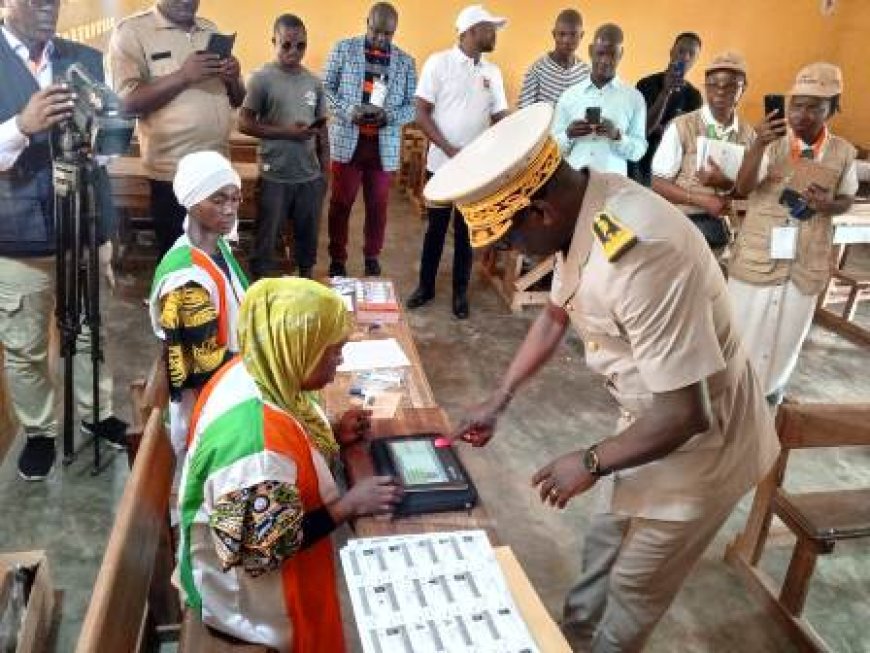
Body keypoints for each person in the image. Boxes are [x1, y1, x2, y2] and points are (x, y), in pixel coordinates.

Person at [426, 104, 779, 651]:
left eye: (507, 241)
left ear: (540, 211)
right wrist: (499, 399)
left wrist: (590, 460)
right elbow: (556, 312)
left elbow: (688, 412)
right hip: (644, 417)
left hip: (703, 444)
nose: (506, 253)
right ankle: (572, 637)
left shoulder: (644, 254)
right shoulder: (586, 208)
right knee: (602, 542)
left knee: (638, 584)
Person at [176, 278, 402, 651]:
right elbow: (260, 551)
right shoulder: (254, 445)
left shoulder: (254, 367)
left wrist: (329, 433)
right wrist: (348, 506)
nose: (341, 360)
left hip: (248, 552)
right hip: (250, 605)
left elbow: (288, 434)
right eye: (333, 351)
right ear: (298, 348)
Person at [0, 0, 127, 481]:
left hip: (83, 225)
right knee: (25, 342)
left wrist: (102, 142)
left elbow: (110, 142)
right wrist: (20, 127)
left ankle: (95, 412)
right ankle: (38, 432)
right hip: (15, 235)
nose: (48, 7)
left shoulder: (84, 59)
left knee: (91, 329)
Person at [729, 63, 857, 405]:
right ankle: (730, 396)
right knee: (742, 330)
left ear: (833, 108)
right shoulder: (770, 143)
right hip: (758, 256)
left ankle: (768, 398)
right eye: (796, 105)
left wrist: (829, 204)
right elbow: (742, 188)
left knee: (786, 336)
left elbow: (846, 200)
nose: (802, 114)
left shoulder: (843, 153)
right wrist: (758, 145)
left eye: (814, 107)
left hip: (805, 261)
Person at [108, 0, 246, 257]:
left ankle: (214, 296)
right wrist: (183, 76)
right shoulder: (132, 32)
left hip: (218, 169)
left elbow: (237, 98)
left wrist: (232, 77)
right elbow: (126, 103)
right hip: (173, 176)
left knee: (216, 255)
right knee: (180, 262)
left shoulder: (210, 30)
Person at [406, 4, 509, 319]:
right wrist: (449, 148)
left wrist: (512, 139)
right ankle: (425, 288)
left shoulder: (492, 73)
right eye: (489, 28)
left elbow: (501, 117)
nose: (495, 35)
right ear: (470, 31)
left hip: (475, 172)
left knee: (467, 234)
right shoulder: (439, 64)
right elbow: (420, 112)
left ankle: (460, 294)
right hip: (441, 165)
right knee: (435, 230)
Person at [149, 151, 249, 457]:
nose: (230, 209)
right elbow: (200, 370)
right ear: (191, 202)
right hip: (211, 413)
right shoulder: (185, 283)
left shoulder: (217, 247)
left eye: (235, 198)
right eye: (218, 200)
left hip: (232, 385)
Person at [322, 2, 417, 278]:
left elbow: (413, 105)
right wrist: (346, 110)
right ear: (367, 22)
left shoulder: (406, 62)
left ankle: (372, 256)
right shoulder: (343, 49)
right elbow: (325, 88)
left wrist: (390, 117)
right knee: (340, 204)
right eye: (376, 31)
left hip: (382, 146)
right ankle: (337, 258)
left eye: (388, 34)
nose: (381, 39)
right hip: (347, 143)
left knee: (378, 206)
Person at [239, 14, 329, 280]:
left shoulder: (314, 82)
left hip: (309, 176)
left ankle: (305, 280)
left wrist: (326, 173)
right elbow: (244, 123)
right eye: (286, 44)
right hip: (274, 174)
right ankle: (259, 287)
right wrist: (287, 133)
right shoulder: (261, 78)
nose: (294, 51)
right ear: (274, 41)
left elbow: (322, 131)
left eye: (300, 45)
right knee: (266, 236)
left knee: (308, 235)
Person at [651, 52, 755, 251]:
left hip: (727, 233)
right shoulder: (683, 126)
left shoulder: (749, 135)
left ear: (743, 88)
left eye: (730, 85)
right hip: (684, 227)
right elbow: (658, 183)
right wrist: (701, 200)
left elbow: (751, 192)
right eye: (713, 84)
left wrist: (725, 183)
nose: (720, 91)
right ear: (705, 87)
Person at [551, 23, 646, 176]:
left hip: (613, 188)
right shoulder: (569, 96)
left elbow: (638, 152)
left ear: (621, 54)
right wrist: (568, 134)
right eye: (600, 53)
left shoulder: (634, 99)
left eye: (612, 55)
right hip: (574, 185)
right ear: (590, 51)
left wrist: (617, 136)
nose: (605, 61)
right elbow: (553, 149)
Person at [630, 32, 703, 186]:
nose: (685, 57)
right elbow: (643, 130)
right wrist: (665, 92)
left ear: (696, 60)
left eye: (691, 54)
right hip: (640, 163)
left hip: (671, 170)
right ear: (671, 52)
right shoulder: (646, 84)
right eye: (681, 51)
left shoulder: (694, 96)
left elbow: (689, 140)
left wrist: (665, 130)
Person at [517, 9, 589, 109]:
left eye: (573, 34)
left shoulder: (586, 73)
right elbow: (524, 112)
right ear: (554, 34)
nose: (567, 40)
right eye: (562, 34)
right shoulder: (538, 70)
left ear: (581, 36)